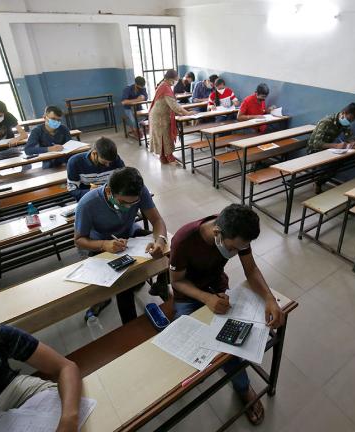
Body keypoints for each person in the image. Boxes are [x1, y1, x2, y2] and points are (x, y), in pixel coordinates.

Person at [170, 204, 285, 426]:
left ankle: (242, 387)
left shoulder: (237, 231)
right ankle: (237, 382)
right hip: (190, 294)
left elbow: (250, 270)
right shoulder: (184, 240)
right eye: (232, 249)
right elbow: (177, 282)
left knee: (229, 341)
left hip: (217, 288)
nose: (235, 253)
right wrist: (206, 299)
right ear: (217, 234)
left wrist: (270, 298)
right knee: (194, 342)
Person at [75, 167, 169, 323]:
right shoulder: (88, 204)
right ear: (109, 191)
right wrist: (104, 244)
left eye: (134, 203)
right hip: (100, 244)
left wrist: (160, 241)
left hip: (130, 236)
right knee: (124, 282)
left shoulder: (140, 191)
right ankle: (129, 323)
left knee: (168, 246)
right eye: (123, 202)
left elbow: (157, 221)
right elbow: (79, 240)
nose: (129, 206)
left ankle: (161, 284)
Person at [306, 102, 355, 193]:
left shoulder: (344, 122)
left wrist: (353, 142)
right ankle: (318, 182)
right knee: (334, 164)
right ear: (343, 113)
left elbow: (349, 135)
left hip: (328, 149)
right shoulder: (326, 122)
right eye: (349, 119)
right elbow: (316, 144)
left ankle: (319, 181)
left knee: (343, 159)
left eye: (352, 121)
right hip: (314, 150)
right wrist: (336, 146)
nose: (349, 122)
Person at [148, 69, 192, 165]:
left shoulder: (164, 85)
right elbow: (174, 105)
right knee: (165, 137)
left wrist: (184, 112)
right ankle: (169, 157)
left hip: (160, 115)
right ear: (170, 79)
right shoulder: (165, 87)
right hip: (159, 117)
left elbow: (173, 104)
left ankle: (163, 157)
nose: (176, 81)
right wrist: (187, 113)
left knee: (163, 137)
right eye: (176, 79)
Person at [67, 136, 125, 201]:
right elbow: (72, 190)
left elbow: (125, 179)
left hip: (110, 194)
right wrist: (90, 192)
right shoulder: (75, 162)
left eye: (110, 162)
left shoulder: (115, 159)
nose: (108, 165)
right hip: (89, 196)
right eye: (104, 162)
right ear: (94, 153)